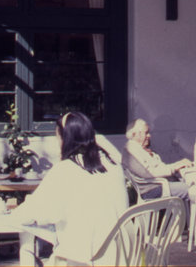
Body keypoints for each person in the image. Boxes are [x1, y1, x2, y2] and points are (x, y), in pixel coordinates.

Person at [11, 111, 129, 264]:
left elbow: (30, 214)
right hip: (120, 257)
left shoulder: (66, 170)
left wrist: (15, 211)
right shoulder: (113, 165)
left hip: (83, 260)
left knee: (26, 235)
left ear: (65, 139)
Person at [123, 118, 192, 200]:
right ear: (135, 134)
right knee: (191, 190)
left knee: (190, 185)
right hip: (153, 189)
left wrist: (178, 165)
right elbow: (150, 172)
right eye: (146, 133)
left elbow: (158, 167)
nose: (149, 136)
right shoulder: (131, 150)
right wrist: (175, 167)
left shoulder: (139, 148)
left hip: (158, 185)